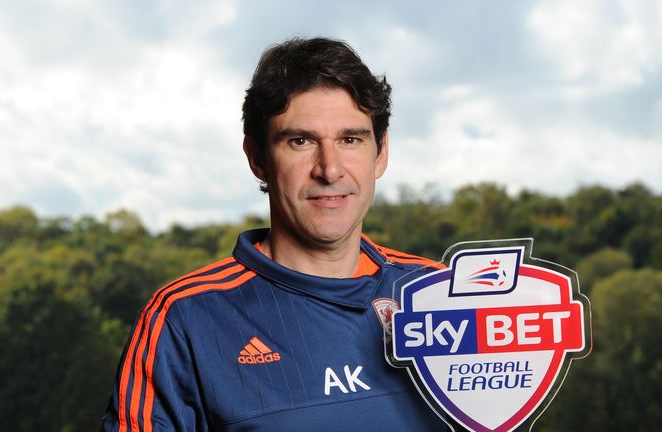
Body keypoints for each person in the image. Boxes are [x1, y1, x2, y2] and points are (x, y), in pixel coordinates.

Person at [101, 37, 448, 431]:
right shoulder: (185, 318)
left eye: (350, 139)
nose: (329, 169)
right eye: (300, 141)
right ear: (258, 158)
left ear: (380, 152)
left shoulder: (440, 294)